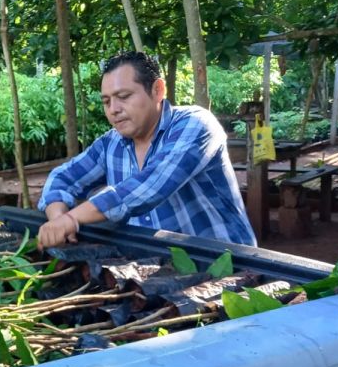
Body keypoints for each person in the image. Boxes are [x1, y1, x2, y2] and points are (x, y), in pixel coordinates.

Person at [37, 50, 255, 249]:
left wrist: (71, 219)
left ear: (157, 90)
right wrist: (57, 218)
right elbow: (62, 177)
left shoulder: (196, 124)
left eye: (123, 97)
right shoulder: (110, 144)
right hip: (154, 269)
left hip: (227, 268)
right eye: (106, 101)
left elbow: (149, 186)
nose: (114, 110)